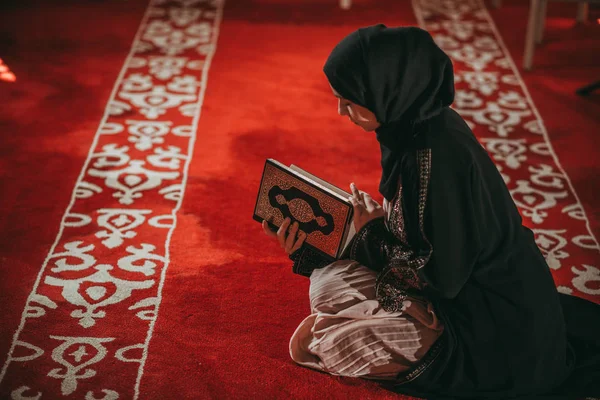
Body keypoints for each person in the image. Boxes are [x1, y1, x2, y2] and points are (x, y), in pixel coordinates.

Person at [262, 24, 600, 399]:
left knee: (328, 341)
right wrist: (324, 239)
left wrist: (368, 234)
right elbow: (419, 234)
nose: (341, 110)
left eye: (349, 98)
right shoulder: (410, 130)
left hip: (491, 332)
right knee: (328, 278)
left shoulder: (436, 159)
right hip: (447, 299)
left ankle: (404, 321)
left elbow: (441, 277)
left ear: (386, 88)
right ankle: (400, 315)